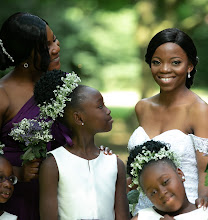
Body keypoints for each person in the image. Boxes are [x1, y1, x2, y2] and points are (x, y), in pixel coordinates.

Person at [127, 28, 208, 214]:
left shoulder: (199, 110)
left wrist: (201, 206)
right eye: (156, 62)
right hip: (145, 211)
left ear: (190, 66)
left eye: (175, 62)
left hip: (185, 209)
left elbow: (207, 170)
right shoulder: (142, 107)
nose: (165, 69)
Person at [34, 70, 129, 220]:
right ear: (79, 118)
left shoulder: (114, 164)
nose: (108, 111)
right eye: (100, 106)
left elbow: (122, 216)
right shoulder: (53, 164)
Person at [0, 12, 61, 219]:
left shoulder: (58, 86)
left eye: (55, 39)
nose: (57, 48)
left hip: (59, 197)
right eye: (48, 45)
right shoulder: (3, 95)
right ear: (27, 56)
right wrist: (18, 173)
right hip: (16, 201)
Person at [127, 140, 208, 220]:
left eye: (165, 182)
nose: (162, 193)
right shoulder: (142, 217)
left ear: (180, 174)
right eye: (153, 192)